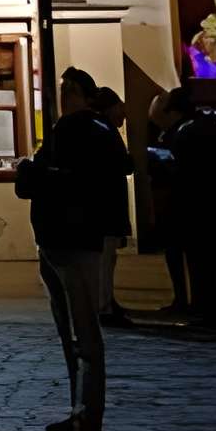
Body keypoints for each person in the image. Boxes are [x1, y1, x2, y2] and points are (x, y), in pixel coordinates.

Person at [15, 65, 130, 431]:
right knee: (73, 332)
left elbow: (70, 179)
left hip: (72, 238)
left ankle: (87, 418)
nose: (60, 95)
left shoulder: (85, 130)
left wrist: (36, 172)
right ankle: (79, 411)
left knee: (83, 334)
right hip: (62, 238)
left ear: (81, 93)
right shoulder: (83, 130)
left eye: (66, 88)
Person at [149, 85, 216, 330]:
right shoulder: (205, 127)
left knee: (203, 263)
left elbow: (180, 172)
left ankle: (208, 310)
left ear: (173, 112)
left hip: (198, 209)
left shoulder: (184, 134)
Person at [93, 86, 135, 328]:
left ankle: (107, 301)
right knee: (105, 259)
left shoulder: (101, 129)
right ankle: (104, 305)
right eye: (120, 107)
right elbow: (123, 164)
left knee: (106, 259)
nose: (124, 114)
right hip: (107, 206)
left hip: (106, 206)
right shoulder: (105, 131)